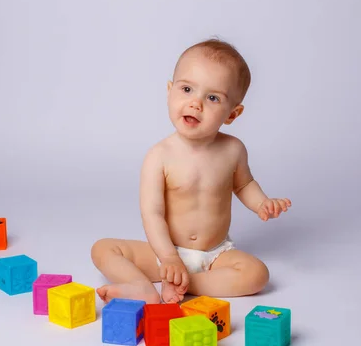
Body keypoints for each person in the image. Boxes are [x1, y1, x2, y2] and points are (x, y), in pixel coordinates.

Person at [91, 38, 292, 304]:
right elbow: (152, 213)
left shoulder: (233, 150)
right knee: (103, 249)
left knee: (257, 274)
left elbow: (244, 185)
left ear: (232, 114)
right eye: (187, 89)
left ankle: (188, 283)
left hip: (215, 255)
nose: (196, 103)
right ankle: (140, 286)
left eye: (212, 98)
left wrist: (262, 203)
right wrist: (169, 258)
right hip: (164, 252)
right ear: (169, 90)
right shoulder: (159, 156)